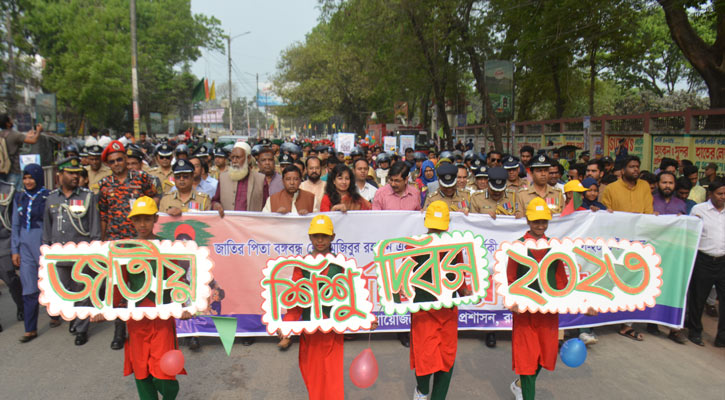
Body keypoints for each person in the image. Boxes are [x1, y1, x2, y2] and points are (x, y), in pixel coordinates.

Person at [96, 196, 192, 400]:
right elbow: (118, 285)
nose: (142, 224)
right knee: (141, 371)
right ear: (131, 221)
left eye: (147, 219)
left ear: (155, 219)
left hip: (162, 316)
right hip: (137, 317)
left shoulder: (165, 247)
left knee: (164, 376)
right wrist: (104, 309)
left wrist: (184, 305)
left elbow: (178, 278)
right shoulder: (125, 249)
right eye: (137, 219)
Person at [508, 197, 596, 400]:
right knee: (528, 359)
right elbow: (510, 278)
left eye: (544, 221)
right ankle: (526, 392)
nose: (540, 226)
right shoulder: (518, 247)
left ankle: (519, 385)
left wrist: (583, 304)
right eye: (536, 221)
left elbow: (564, 282)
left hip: (548, 313)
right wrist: (512, 301)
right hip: (525, 314)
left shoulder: (554, 247)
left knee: (544, 357)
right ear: (528, 220)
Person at [280, 215, 371, 399]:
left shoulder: (342, 265)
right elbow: (296, 299)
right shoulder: (301, 265)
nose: (320, 240)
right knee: (311, 374)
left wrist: (367, 317)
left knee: (332, 376)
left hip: (332, 331)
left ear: (333, 237)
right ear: (309, 237)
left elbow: (353, 296)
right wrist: (286, 325)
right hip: (310, 331)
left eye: (324, 236)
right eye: (315, 236)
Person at [98, 140, 158, 350]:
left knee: (143, 282)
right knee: (118, 286)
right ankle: (119, 330)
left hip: (140, 240)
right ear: (109, 164)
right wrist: (103, 240)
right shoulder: (105, 184)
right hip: (117, 242)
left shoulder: (141, 178)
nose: (117, 164)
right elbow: (103, 214)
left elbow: (155, 196)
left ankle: (145, 324)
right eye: (112, 161)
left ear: (126, 159)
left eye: (120, 159)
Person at [411, 201, 471, 400]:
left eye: (439, 228)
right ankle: (422, 391)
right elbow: (403, 276)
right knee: (424, 357)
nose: (436, 232)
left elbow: (460, 275)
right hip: (423, 310)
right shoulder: (415, 245)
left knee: (446, 358)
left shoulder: (455, 246)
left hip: (447, 310)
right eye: (433, 228)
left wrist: (466, 291)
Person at [42, 157, 101, 345]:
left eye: (77, 173)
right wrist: (45, 253)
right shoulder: (51, 198)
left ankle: (82, 329)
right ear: (60, 175)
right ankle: (74, 318)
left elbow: (94, 228)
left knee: (82, 291)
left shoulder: (87, 197)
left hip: (81, 254)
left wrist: (95, 251)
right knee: (64, 291)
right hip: (59, 255)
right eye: (70, 173)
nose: (75, 176)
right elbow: (46, 228)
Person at [600, 155, 652, 341]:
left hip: (638, 243)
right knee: (610, 280)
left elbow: (647, 213)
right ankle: (601, 318)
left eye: (637, 166)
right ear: (623, 170)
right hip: (616, 243)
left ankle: (627, 324)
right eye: (631, 167)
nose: (635, 170)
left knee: (633, 283)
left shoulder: (645, 187)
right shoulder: (611, 189)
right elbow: (606, 215)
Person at [371, 161, 421, 348]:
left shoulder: (415, 194)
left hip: (410, 249)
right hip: (389, 248)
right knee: (392, 287)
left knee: (408, 287)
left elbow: (417, 220)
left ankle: (406, 327)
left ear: (407, 179)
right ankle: (397, 325)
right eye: (391, 180)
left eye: (398, 181)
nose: (393, 184)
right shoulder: (381, 194)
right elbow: (374, 220)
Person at [11, 164, 48, 342]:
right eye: (25, 178)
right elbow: (16, 226)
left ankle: (56, 315)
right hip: (25, 248)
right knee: (29, 288)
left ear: (39, 178)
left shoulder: (48, 196)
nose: (28, 181)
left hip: (43, 244)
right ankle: (30, 328)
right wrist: (14, 250)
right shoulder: (19, 198)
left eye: (31, 177)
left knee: (50, 283)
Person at [685, 180, 725, 347]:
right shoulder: (699, 210)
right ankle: (695, 331)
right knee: (698, 299)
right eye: (720, 194)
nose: (723, 197)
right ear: (711, 194)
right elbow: (689, 233)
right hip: (703, 259)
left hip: (723, 260)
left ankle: (722, 337)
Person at [0, 177, 23, 333]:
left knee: (10, 278)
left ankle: (21, 305)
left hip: (4, 243)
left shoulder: (8, 190)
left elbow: (14, 220)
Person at [0, 114, 41, 187]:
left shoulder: (1, 134)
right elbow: (33, 140)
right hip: (13, 170)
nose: (12, 121)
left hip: (2, 169)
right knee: (15, 195)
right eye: (10, 120)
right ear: (8, 124)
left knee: (4, 195)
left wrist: (27, 136)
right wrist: (38, 131)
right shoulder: (14, 134)